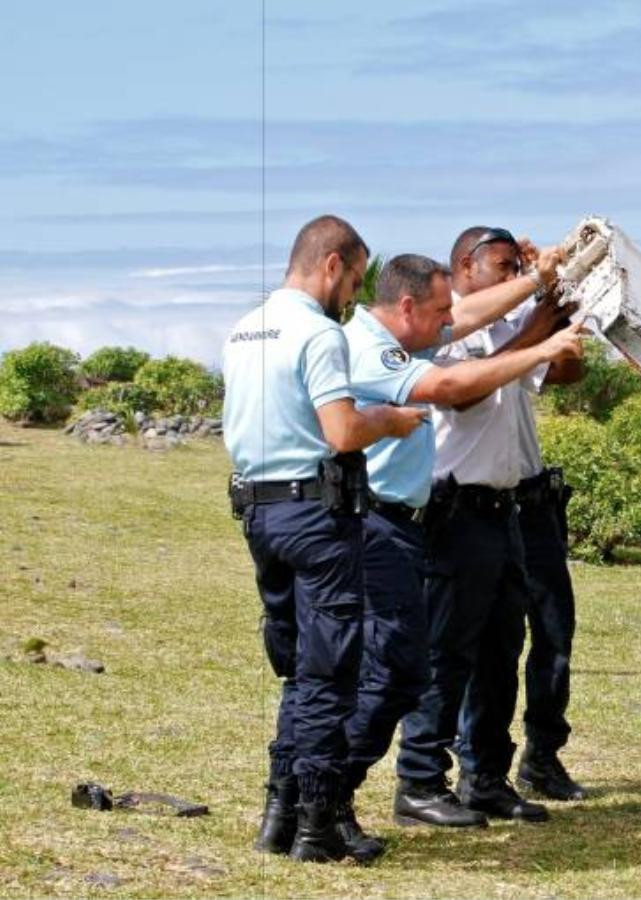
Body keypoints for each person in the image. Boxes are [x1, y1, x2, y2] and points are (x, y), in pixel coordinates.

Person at [337, 251, 582, 843]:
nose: (509, 276)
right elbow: (456, 390)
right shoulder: (401, 342)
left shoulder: (445, 324)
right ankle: (420, 779)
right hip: (450, 513)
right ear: (464, 267)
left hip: (508, 511)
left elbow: (481, 324)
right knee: (443, 655)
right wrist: (541, 335)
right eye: (502, 265)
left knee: (503, 649)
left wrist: (543, 292)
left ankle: (486, 776)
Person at [221, 215, 425, 863]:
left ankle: (279, 816)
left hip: (259, 513)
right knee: (330, 674)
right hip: (316, 514)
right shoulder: (317, 332)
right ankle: (316, 826)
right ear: (332, 263)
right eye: (356, 279)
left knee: (299, 671)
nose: (354, 296)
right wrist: (389, 422)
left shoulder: (243, 328)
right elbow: (340, 432)